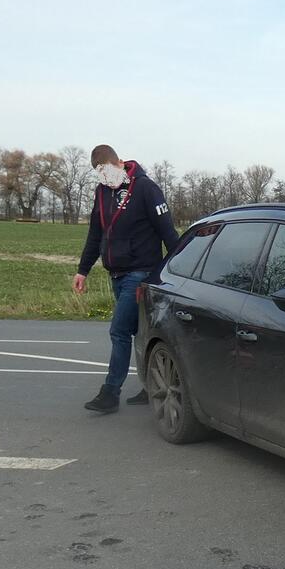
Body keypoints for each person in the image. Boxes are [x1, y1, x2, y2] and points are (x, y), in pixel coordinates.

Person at [74, 145, 180, 413]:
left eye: (109, 173)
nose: (107, 180)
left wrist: (177, 270)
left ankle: (110, 393)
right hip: (116, 273)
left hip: (141, 272)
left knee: (119, 331)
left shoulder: (146, 188)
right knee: (139, 332)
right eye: (101, 176)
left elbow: (168, 232)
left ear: (120, 163)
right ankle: (151, 385)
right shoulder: (101, 193)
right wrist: (82, 270)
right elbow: (95, 235)